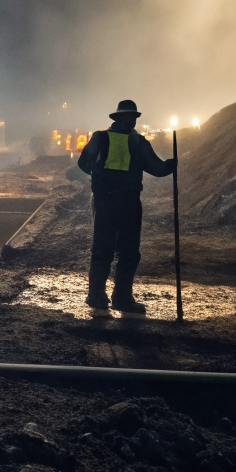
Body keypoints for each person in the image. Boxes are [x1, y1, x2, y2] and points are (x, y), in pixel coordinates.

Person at [76, 99, 176, 314]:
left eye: (132, 117)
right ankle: (97, 296)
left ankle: (120, 297)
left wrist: (169, 166)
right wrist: (100, 182)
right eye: (127, 117)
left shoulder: (137, 141)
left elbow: (156, 168)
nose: (130, 120)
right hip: (110, 201)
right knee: (104, 249)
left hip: (127, 201)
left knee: (129, 251)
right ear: (118, 118)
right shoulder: (102, 138)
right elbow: (84, 163)